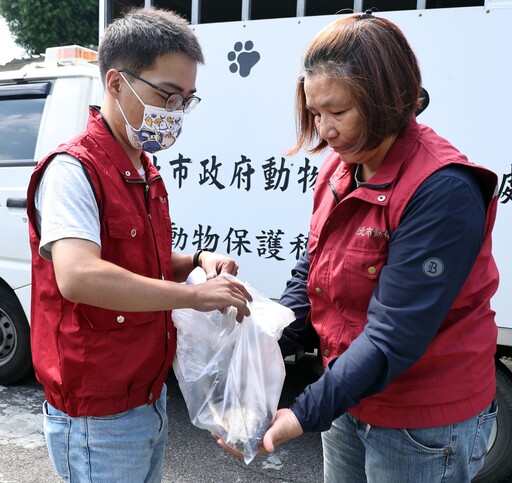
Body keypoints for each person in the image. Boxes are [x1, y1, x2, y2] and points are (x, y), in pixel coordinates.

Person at [217, 12, 499, 483]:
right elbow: (315, 269)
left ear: (387, 100)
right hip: (348, 393)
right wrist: (267, 346)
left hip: (421, 418)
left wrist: (303, 413)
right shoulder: (342, 166)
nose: (323, 130)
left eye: (338, 112)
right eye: (314, 113)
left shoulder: (442, 188)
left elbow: (395, 336)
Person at [26, 7, 251, 483]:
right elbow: (80, 274)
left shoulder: (142, 169)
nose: (174, 113)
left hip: (144, 397)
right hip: (98, 414)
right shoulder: (73, 169)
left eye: (186, 101)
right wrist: (194, 295)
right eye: (167, 95)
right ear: (115, 83)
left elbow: (137, 260)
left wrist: (195, 261)